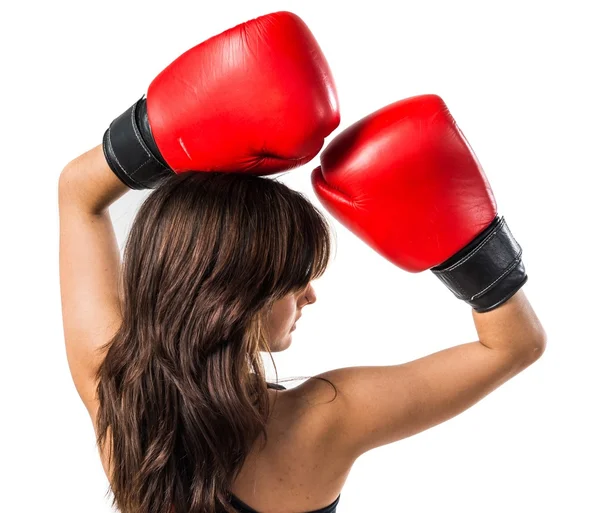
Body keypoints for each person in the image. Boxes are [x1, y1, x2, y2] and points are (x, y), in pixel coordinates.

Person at [58, 12, 546, 513]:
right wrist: (471, 249)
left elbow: (78, 192)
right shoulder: (323, 420)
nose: (311, 295)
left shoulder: (117, 397)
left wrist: (156, 136)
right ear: (233, 300)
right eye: (294, 284)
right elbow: (514, 345)